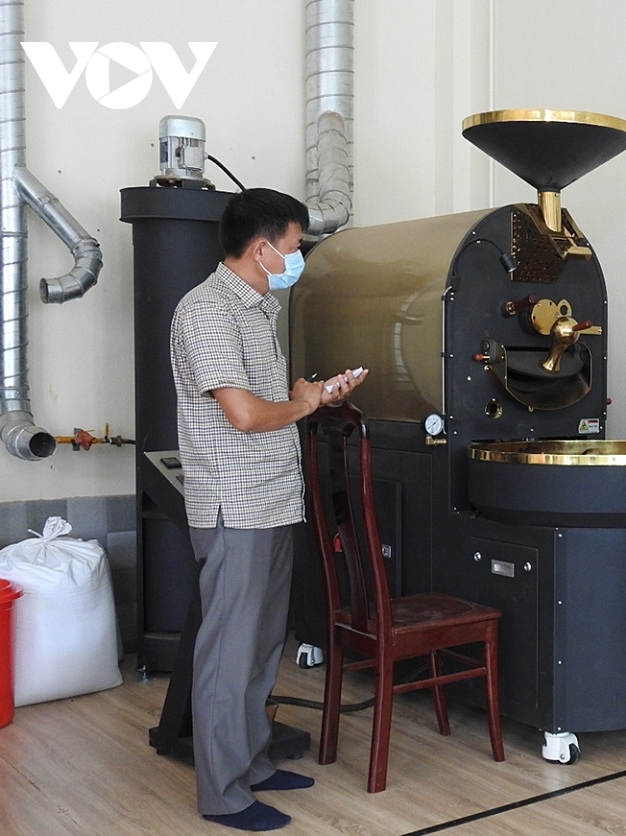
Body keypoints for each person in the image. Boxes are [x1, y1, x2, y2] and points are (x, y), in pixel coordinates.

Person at [170, 187, 368, 832]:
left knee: (259, 646)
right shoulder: (207, 310)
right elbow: (246, 415)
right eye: (293, 246)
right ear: (261, 249)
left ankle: (252, 762)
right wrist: (303, 404)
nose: (297, 257)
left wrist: (313, 395)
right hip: (236, 503)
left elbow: (268, 405)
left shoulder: (256, 309)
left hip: (273, 496)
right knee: (229, 653)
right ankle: (223, 793)